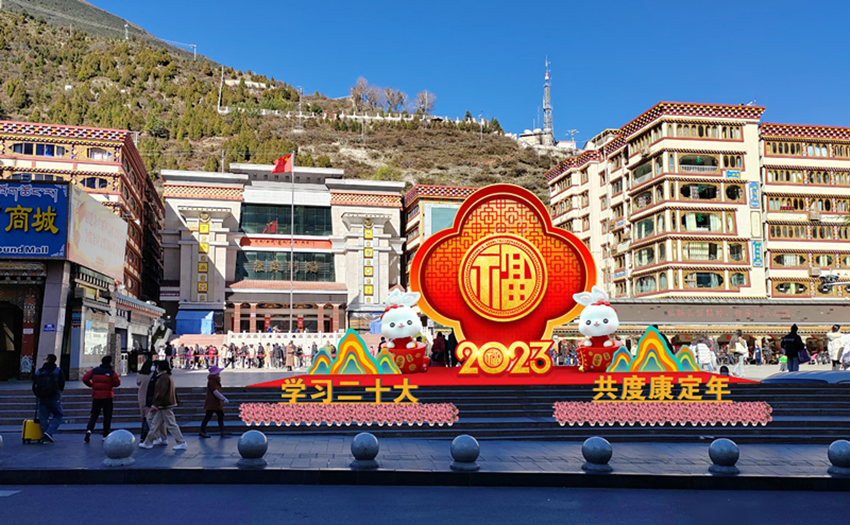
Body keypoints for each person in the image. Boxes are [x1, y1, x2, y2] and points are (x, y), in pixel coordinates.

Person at [139, 360, 186, 450]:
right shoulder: (164, 377)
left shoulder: (163, 378)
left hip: (165, 405)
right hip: (163, 405)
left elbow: (161, 392)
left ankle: (181, 441)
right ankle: (148, 442)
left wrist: (155, 404)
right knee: (154, 423)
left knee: (170, 424)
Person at [82, 355, 121, 443]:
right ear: (110, 363)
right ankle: (105, 434)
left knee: (94, 414)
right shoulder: (111, 372)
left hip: (96, 396)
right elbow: (117, 383)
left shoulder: (94, 370)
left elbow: (85, 378)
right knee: (107, 416)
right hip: (108, 396)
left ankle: (89, 430)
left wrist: (92, 385)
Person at [32, 354, 65, 442]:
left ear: (47, 360)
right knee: (58, 415)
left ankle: (45, 435)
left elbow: (34, 385)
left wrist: (38, 394)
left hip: (42, 397)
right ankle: (49, 432)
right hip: (54, 396)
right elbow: (62, 384)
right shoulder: (57, 371)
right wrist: (57, 392)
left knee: (43, 416)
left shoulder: (39, 371)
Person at [200, 366, 229, 438]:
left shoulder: (213, 379)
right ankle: (203, 431)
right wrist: (223, 398)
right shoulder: (213, 380)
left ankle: (221, 431)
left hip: (213, 402)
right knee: (212, 416)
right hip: (213, 402)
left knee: (215, 416)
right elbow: (215, 391)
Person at [136, 359, 154, 441]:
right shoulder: (152, 375)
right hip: (150, 396)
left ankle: (143, 434)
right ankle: (147, 434)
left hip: (141, 396)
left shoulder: (139, 374)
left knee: (144, 417)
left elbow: (138, 383)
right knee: (149, 417)